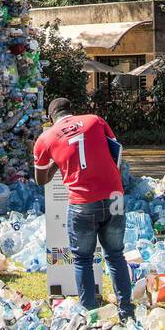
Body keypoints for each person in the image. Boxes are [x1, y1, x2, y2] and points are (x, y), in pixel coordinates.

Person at [33, 97, 133, 317]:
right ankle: (127, 312)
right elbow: (114, 150)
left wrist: (57, 160)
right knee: (116, 255)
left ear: (50, 118)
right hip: (114, 196)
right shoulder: (95, 120)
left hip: (82, 202)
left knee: (83, 259)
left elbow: (41, 179)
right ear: (72, 111)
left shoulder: (46, 138)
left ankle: (91, 316)